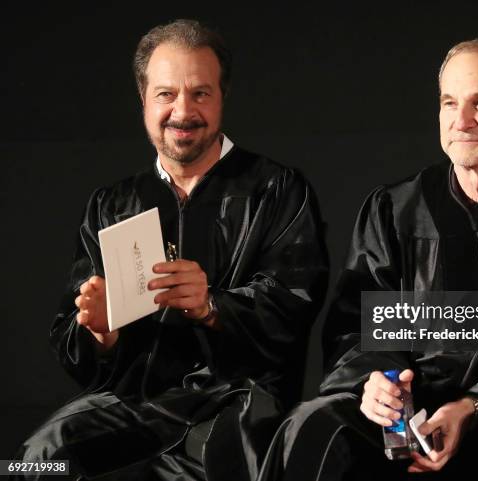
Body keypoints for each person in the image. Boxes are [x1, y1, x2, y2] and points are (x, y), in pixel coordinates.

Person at [258, 38, 478, 481]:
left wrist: (470, 405)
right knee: (312, 423)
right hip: (411, 409)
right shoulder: (394, 209)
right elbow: (357, 325)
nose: (461, 121)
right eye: (448, 103)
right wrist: (379, 383)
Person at [14, 19, 328, 481]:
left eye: (200, 93)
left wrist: (213, 306)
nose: (183, 110)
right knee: (33, 462)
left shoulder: (276, 189)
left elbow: (297, 303)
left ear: (222, 98)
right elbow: (71, 334)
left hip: (237, 398)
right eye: (166, 94)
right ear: (143, 100)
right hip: (134, 398)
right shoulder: (113, 204)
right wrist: (101, 332)